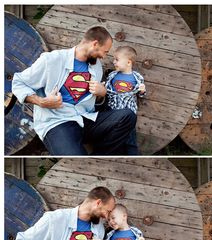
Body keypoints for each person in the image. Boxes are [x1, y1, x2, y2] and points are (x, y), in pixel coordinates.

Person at [12, 27, 136, 155]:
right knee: (76, 159)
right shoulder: (52, 60)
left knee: (128, 116)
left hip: (85, 118)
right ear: (94, 44)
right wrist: (41, 102)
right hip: (57, 123)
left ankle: (100, 157)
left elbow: (92, 102)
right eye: (105, 51)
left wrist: (102, 94)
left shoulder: (96, 66)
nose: (104, 57)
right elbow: (18, 82)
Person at [105, 46, 146, 155]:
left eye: (117, 59)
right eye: (114, 59)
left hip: (129, 114)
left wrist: (142, 91)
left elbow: (140, 95)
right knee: (113, 138)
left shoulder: (136, 77)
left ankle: (133, 156)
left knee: (130, 140)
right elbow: (108, 91)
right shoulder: (113, 76)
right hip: (113, 112)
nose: (114, 62)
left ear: (128, 62)